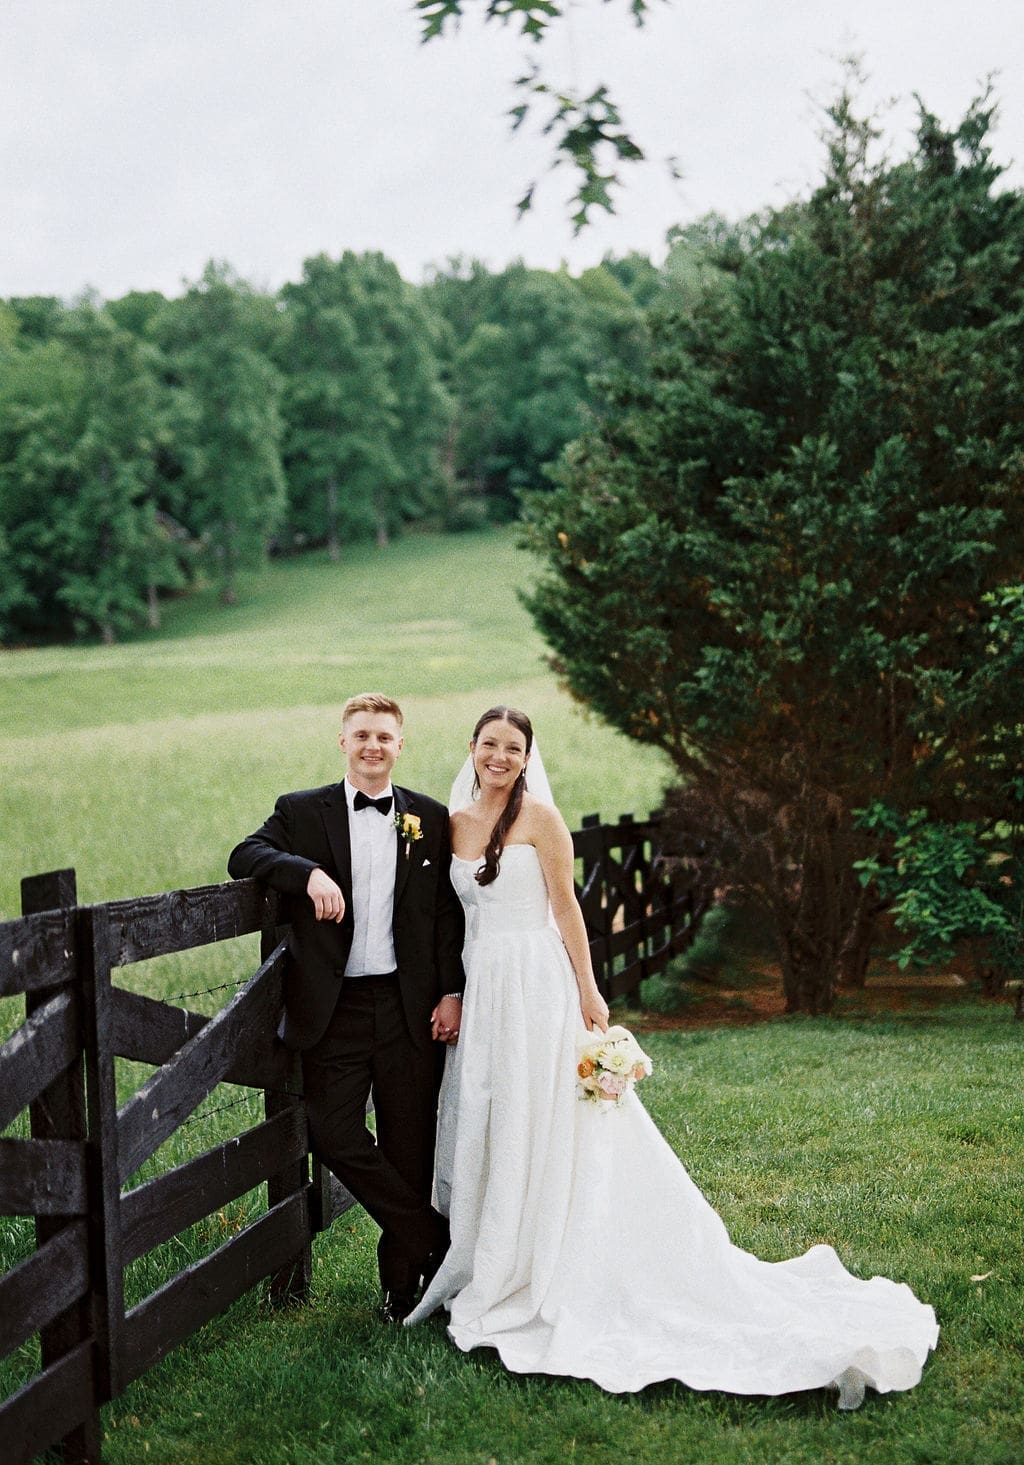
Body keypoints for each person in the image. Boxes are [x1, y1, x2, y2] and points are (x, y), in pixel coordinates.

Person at [405, 705, 939, 1408]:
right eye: (489, 744)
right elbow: (449, 914)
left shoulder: (541, 820)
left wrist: (590, 993)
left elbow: (566, 908)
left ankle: (552, 1261)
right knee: (493, 1109)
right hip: (485, 985)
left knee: (546, 1114)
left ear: (528, 754)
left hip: (537, 986)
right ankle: (495, 1253)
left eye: (514, 746)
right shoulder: (453, 822)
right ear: (470, 748)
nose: (500, 756)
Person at [228, 692, 465, 1323]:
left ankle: (403, 1290)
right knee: (331, 1132)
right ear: (342, 741)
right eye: (361, 735)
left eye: (384, 737)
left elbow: (445, 916)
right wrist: (304, 872)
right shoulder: (301, 811)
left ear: (400, 744)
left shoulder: (430, 818)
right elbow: (243, 855)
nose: (372, 746)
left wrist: (451, 991)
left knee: (409, 1148)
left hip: (408, 1007)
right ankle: (432, 1235)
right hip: (334, 1008)